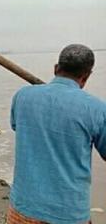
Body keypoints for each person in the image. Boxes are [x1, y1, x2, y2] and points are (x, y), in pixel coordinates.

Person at [7, 44, 106, 224]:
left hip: (23, 208)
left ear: (55, 68)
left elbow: (17, 126)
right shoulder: (97, 109)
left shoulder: (22, 96)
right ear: (86, 76)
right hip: (68, 214)